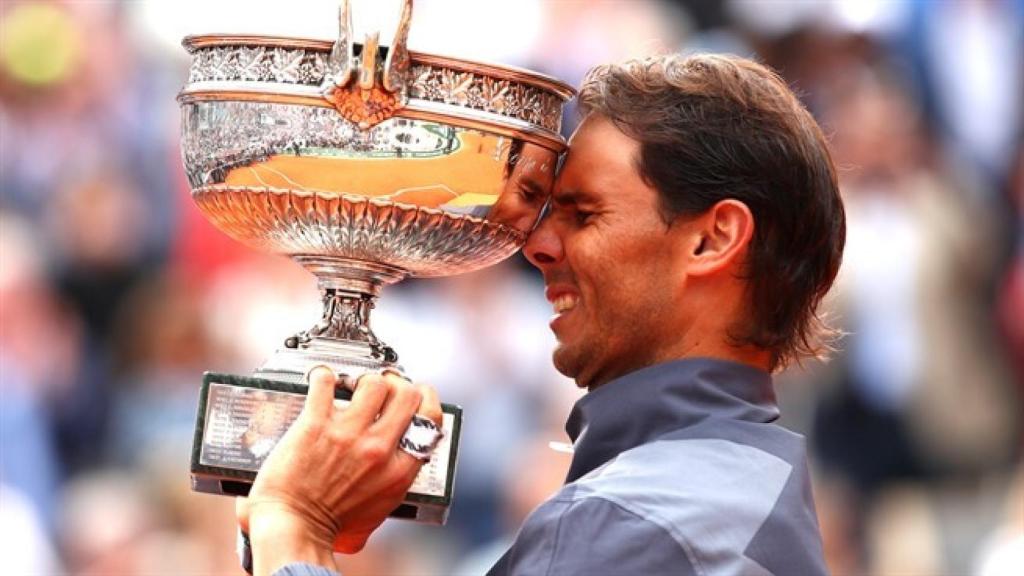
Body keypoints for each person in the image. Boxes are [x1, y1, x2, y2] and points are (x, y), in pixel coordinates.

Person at [234, 53, 846, 576]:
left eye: (584, 214)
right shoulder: (746, 481)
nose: (537, 245)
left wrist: (298, 526)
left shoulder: (634, 519)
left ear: (713, 240)